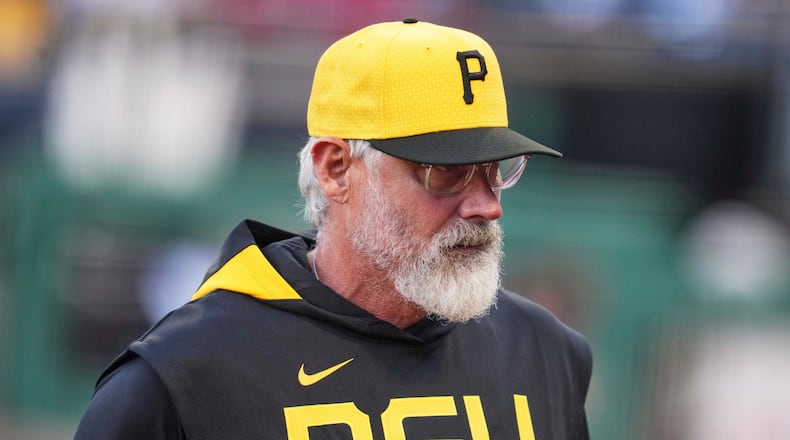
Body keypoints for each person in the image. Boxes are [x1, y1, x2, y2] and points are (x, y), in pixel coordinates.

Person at [74, 19, 592, 439]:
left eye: (495, 171)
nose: (486, 206)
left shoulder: (545, 352)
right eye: (446, 173)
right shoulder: (182, 377)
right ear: (336, 169)